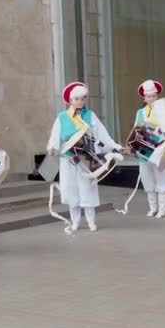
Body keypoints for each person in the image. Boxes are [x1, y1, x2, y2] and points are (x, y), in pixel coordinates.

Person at [47, 82, 123, 231]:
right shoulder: (62, 117)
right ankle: (75, 222)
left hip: (87, 158)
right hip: (68, 158)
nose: (80, 102)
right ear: (70, 100)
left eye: (82, 99)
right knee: (70, 190)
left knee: (87, 189)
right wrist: (52, 147)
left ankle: (91, 221)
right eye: (76, 99)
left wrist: (116, 147)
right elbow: (55, 136)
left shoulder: (90, 115)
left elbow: (102, 134)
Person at [133, 79, 165, 218]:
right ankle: (153, 207)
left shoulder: (164, 111)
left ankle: (162, 209)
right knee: (147, 179)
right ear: (144, 98)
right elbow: (135, 129)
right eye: (148, 96)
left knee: (162, 178)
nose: (151, 99)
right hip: (144, 150)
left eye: (153, 96)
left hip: (160, 148)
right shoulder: (140, 112)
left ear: (157, 96)